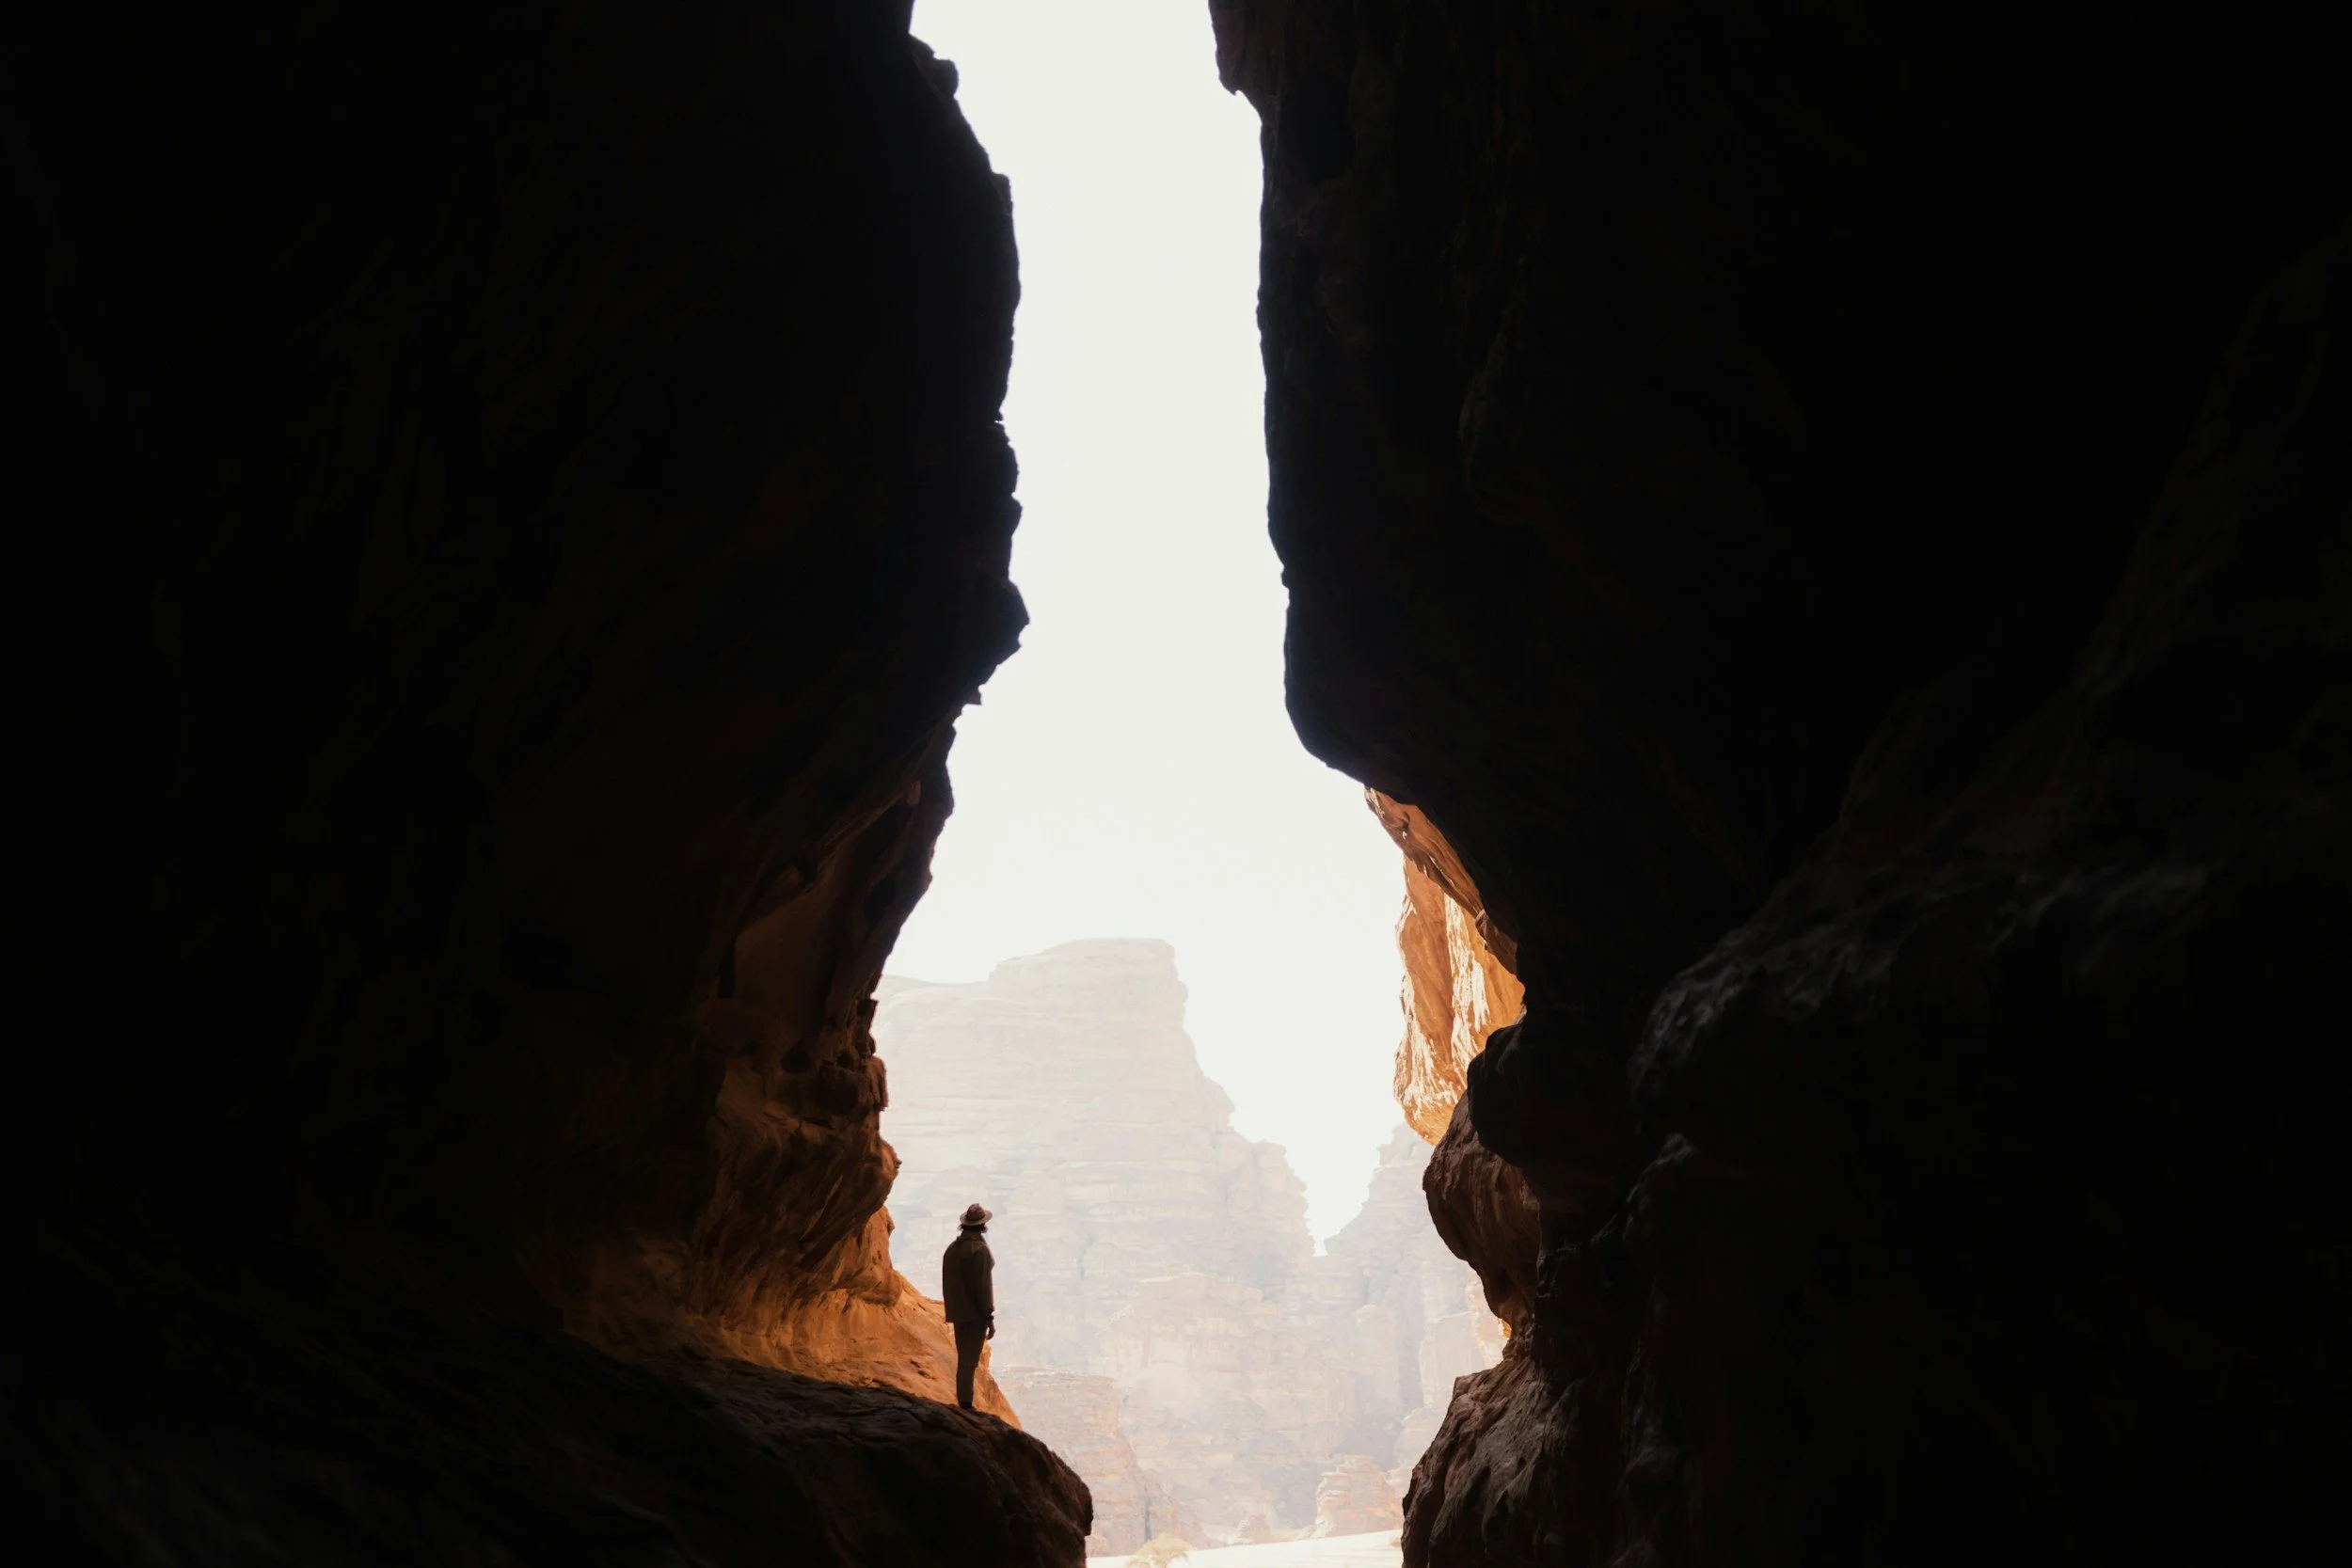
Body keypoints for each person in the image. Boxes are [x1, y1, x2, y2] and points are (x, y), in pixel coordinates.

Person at [941, 1202, 995, 1410]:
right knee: (969, 1361)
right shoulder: (979, 1250)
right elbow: (983, 1286)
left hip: (958, 1311)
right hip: (975, 1314)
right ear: (983, 1226)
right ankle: (966, 1404)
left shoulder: (953, 1249)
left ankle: (964, 1400)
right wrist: (988, 1316)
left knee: (964, 1357)